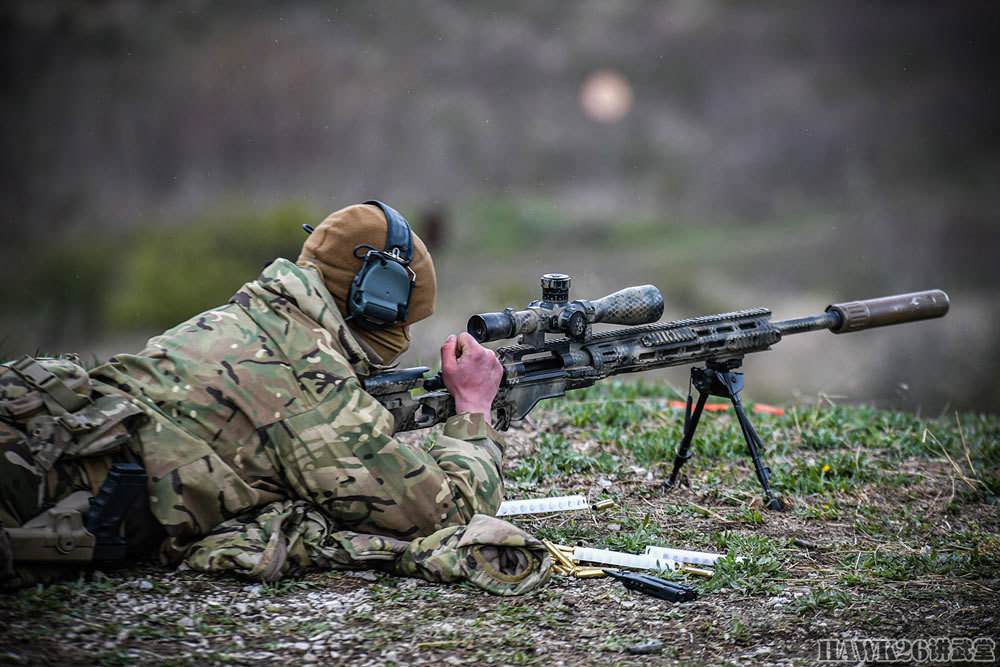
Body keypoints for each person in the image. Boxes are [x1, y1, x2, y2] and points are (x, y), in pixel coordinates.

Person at [0, 202, 550, 595]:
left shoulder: (244, 319)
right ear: (376, 296)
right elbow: (445, 514)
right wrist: (474, 410)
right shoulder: (311, 383)